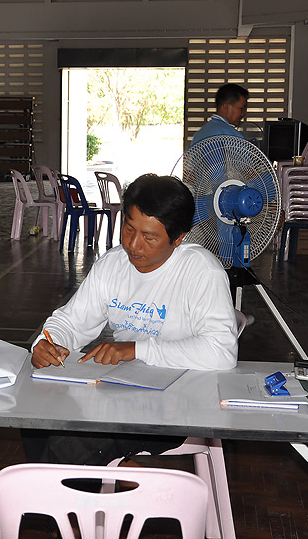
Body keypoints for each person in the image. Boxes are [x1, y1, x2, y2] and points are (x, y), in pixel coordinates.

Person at [27, 174, 238, 465]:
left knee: (72, 444)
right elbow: (72, 321)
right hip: (122, 393)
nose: (133, 245)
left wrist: (137, 349)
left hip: (182, 402)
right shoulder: (112, 266)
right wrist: (48, 342)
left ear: (178, 238)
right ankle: (102, 483)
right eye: (128, 228)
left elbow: (221, 352)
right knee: (34, 420)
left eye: (149, 237)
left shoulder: (201, 271)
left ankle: (78, 502)